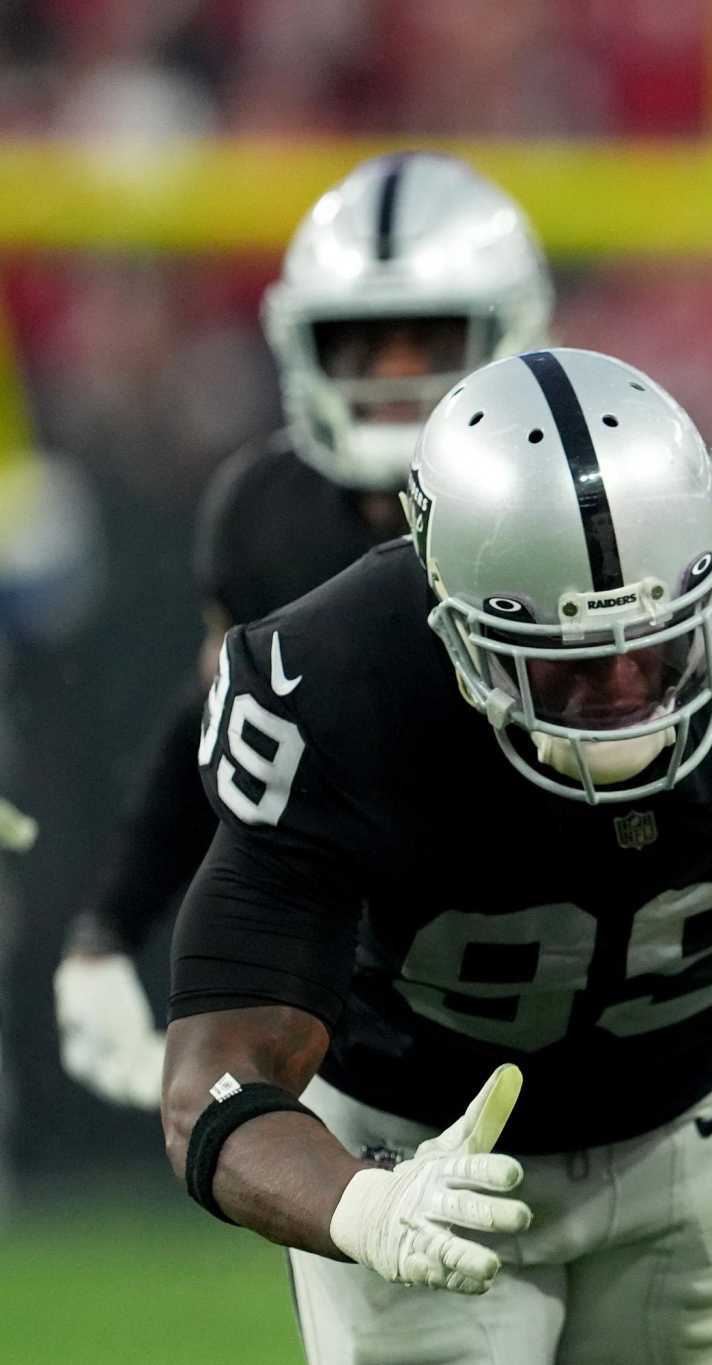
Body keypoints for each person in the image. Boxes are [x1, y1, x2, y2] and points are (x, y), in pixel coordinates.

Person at [161, 348, 712, 1364]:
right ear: (455, 623)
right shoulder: (342, 679)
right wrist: (364, 1204)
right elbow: (211, 1083)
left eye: (655, 645)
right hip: (419, 1149)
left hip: (695, 1124)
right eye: (564, 667)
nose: (622, 691)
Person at [55, 152, 555, 1110]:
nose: (396, 377)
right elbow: (227, 721)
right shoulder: (267, 515)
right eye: (365, 345)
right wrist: (106, 927)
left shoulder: (605, 494)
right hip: (375, 1007)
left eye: (429, 340)